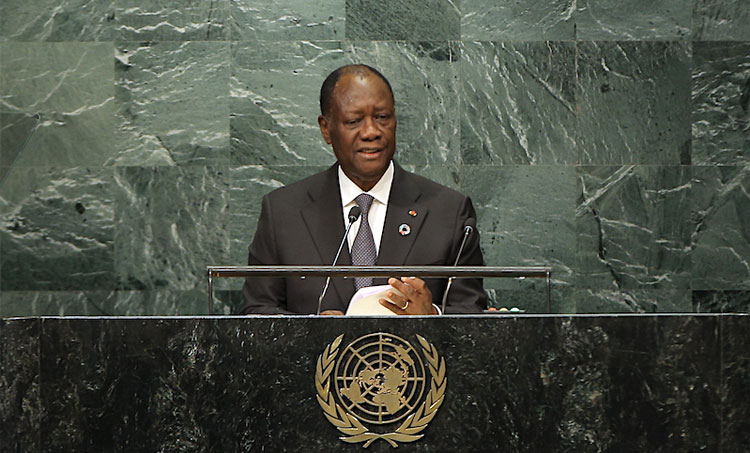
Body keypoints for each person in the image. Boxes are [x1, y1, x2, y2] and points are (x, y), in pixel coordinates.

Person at [239, 64, 486, 315]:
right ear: (326, 128)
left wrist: (432, 315)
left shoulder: (448, 211)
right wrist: (312, 330)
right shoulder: (283, 212)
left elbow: (472, 311)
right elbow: (258, 311)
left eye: (382, 117)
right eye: (354, 121)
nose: (371, 132)